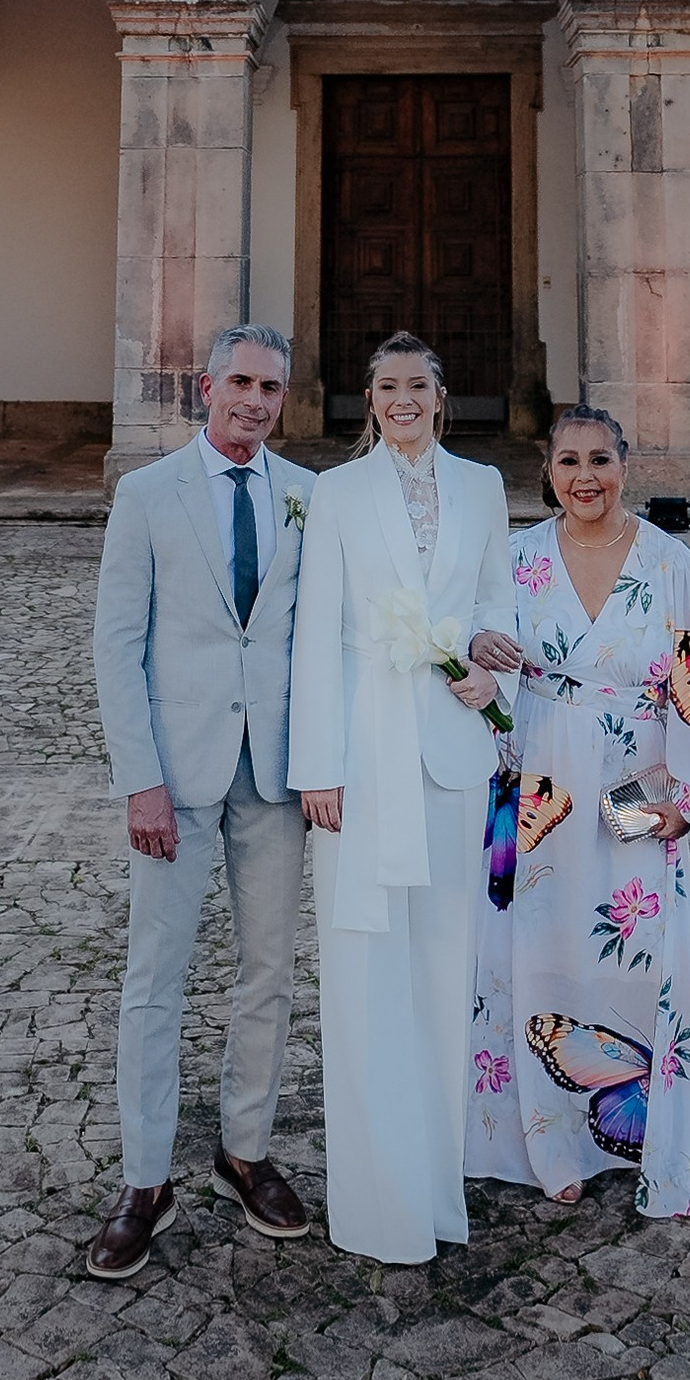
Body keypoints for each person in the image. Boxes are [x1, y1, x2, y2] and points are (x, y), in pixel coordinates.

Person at [466, 403, 690, 1221]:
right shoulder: (513, 558)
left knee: (632, 958)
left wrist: (688, 803)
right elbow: (479, 652)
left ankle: (637, 1137)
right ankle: (540, 1144)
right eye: (568, 463)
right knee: (530, 957)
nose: (585, 478)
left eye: (600, 460)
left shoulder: (668, 563)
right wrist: (480, 654)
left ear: (626, 465)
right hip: (535, 779)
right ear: (546, 473)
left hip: (634, 781)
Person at [86, 325, 316, 1281]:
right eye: (241, 383)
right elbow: (116, 644)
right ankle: (145, 1181)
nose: (255, 401)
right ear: (205, 387)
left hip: (275, 775)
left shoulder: (308, 497)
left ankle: (244, 1151)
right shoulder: (145, 495)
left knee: (266, 970)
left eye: (271, 388)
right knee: (156, 978)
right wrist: (139, 778)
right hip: (173, 778)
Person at [289, 334, 513, 1262]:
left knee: (440, 971)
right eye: (386, 386)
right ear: (369, 399)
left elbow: (502, 597)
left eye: (418, 385)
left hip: (452, 757)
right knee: (363, 975)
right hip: (363, 758)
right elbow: (315, 634)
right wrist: (318, 769)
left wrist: (492, 680)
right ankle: (376, 1198)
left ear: (441, 394)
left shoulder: (483, 487)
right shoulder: (333, 493)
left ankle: (437, 1186)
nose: (402, 399)